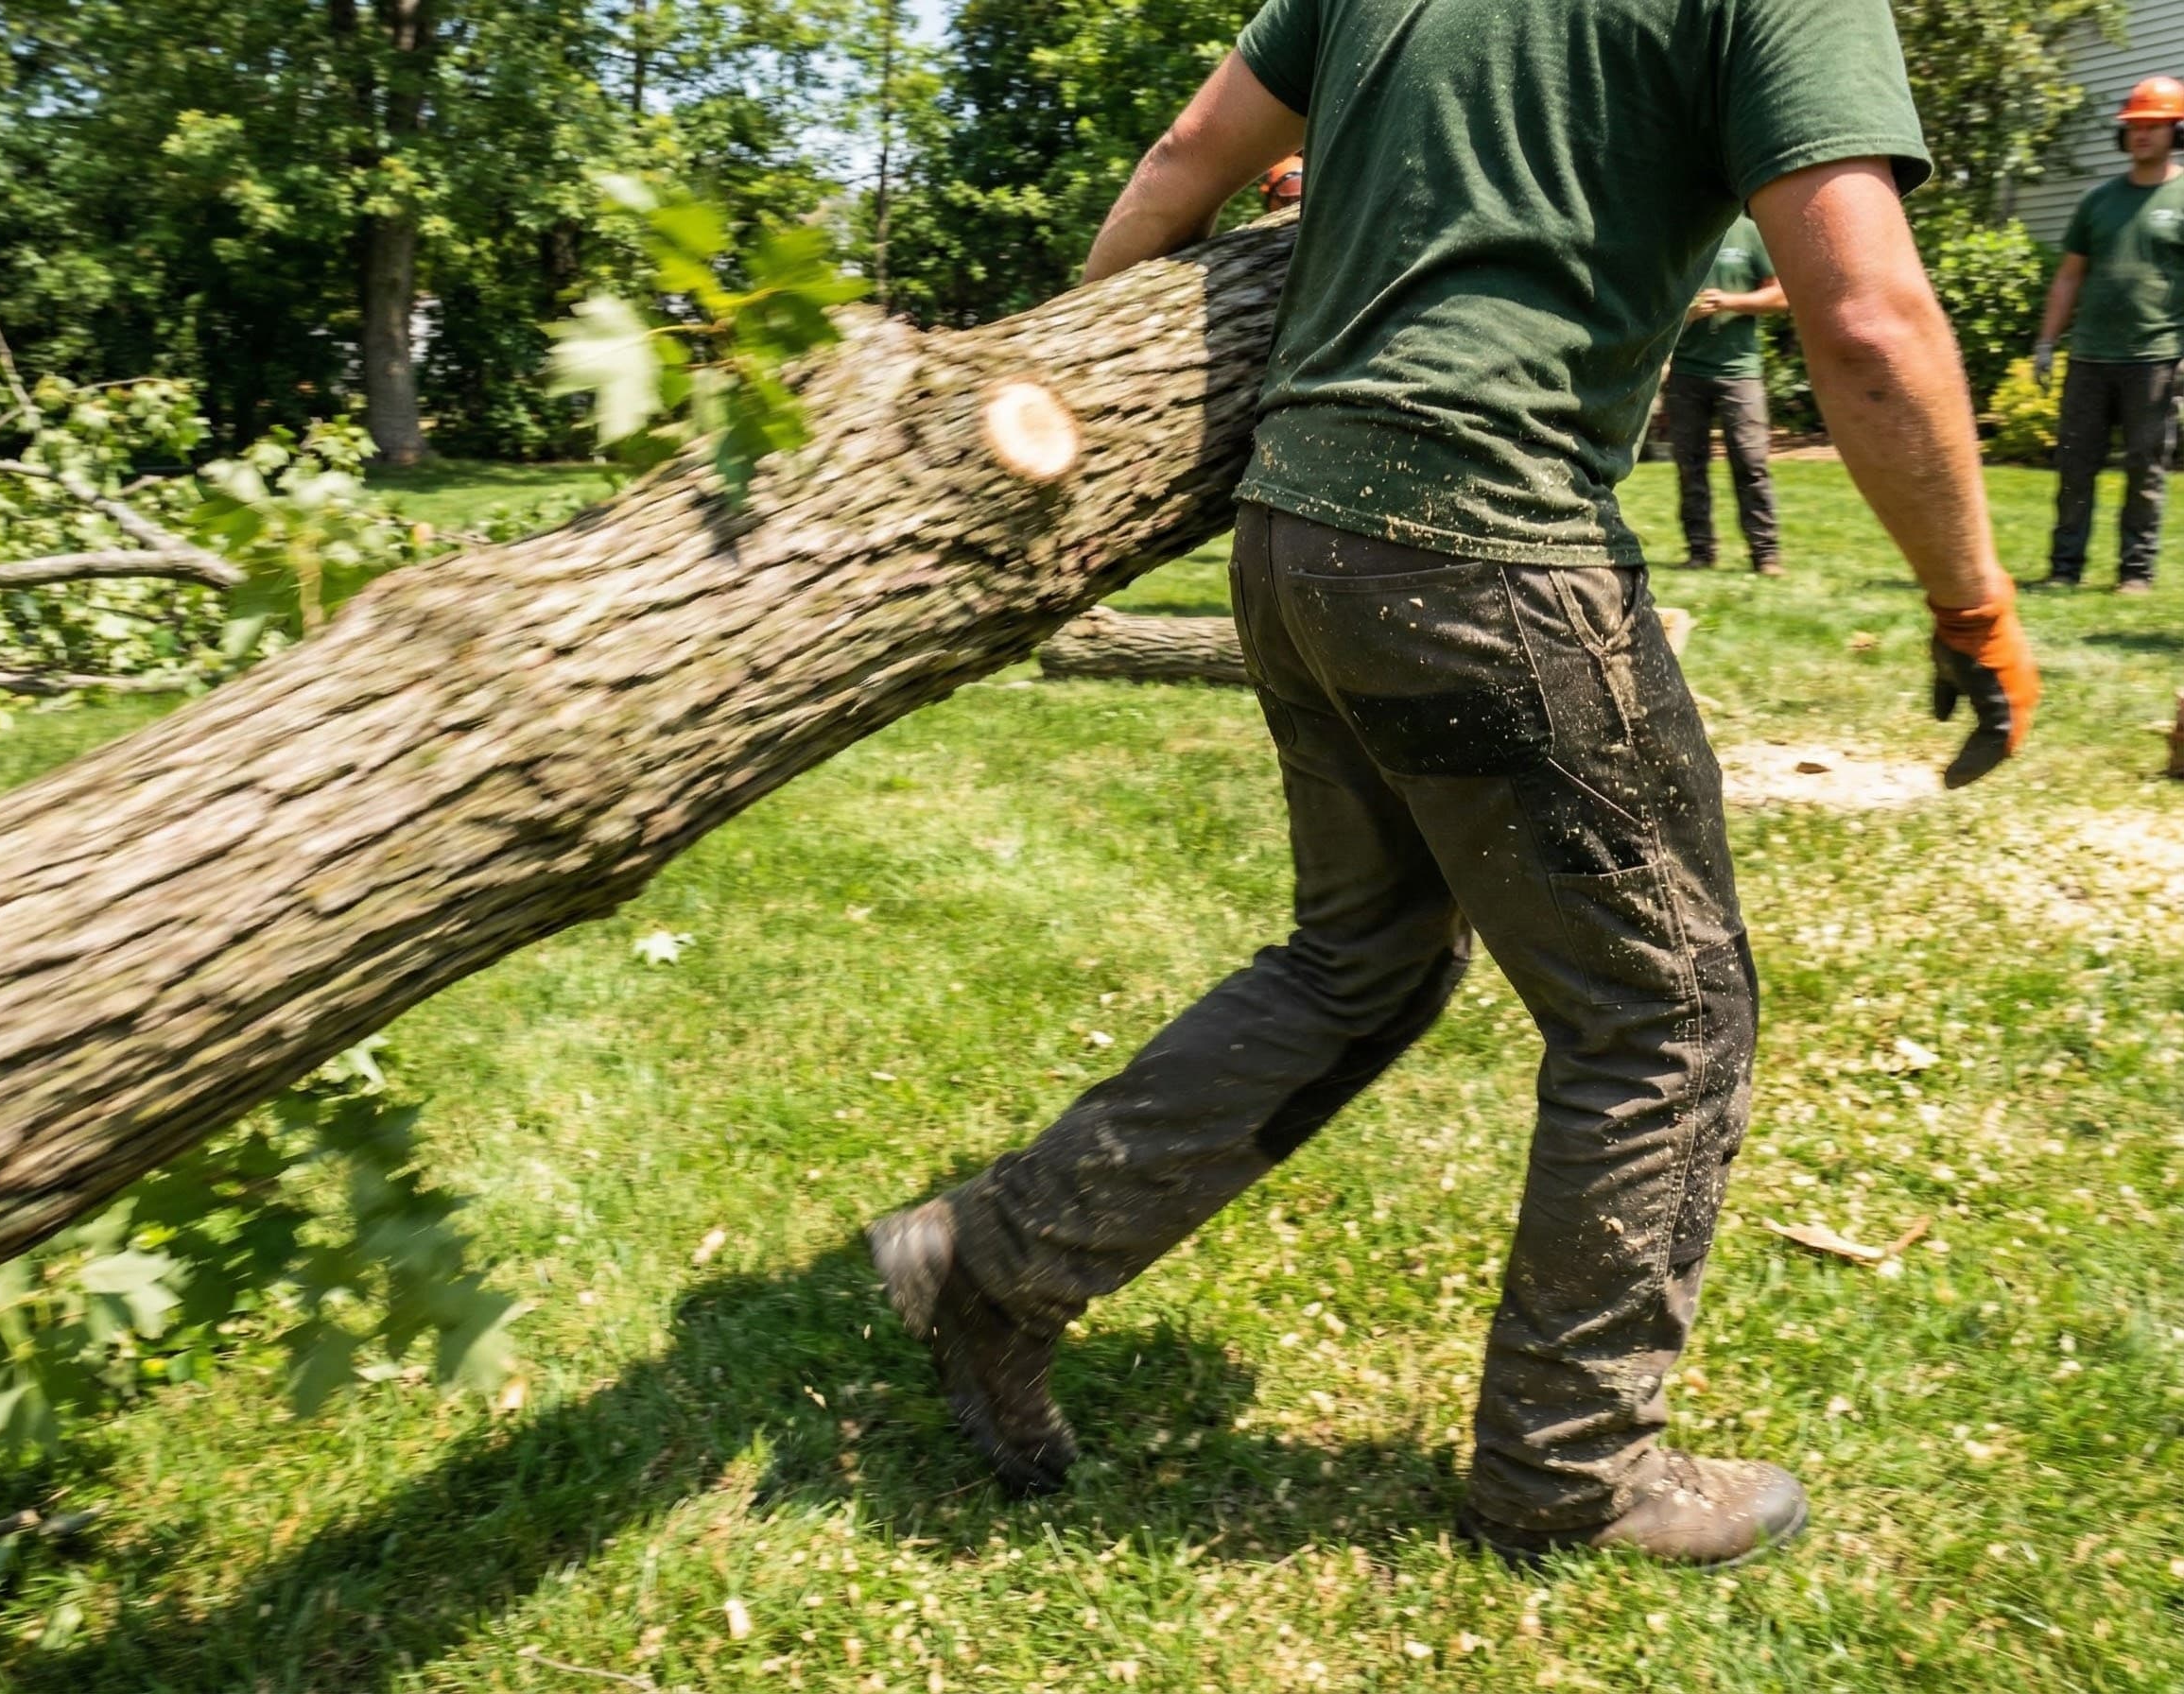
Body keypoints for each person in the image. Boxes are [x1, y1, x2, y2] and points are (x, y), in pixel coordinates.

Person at [870, 0, 2040, 1568]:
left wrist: (1105, 405)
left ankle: (994, 1262)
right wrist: (1973, 599)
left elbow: (1179, 161)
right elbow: (1873, 316)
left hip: (1297, 537)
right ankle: (1570, 1469)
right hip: (1490, 551)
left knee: (1361, 958)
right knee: (1666, 1014)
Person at [2034, 76, 2184, 596]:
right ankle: (2064, 568)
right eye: (2133, 126)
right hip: (2090, 357)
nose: (2141, 135)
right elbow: (2070, 275)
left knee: (2146, 469)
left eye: (2153, 125)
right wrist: (2047, 342)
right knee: (2076, 464)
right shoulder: (2097, 200)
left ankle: (2135, 572)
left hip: (2156, 357)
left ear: (2176, 131)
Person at [1666, 217, 1789, 574]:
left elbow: (1781, 296)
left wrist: (1730, 301)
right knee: (1690, 467)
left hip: (1740, 372)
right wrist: (1684, 314)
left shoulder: (1749, 232)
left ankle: (1765, 554)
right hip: (1686, 372)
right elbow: (1656, 303)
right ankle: (1700, 552)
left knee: (1751, 462)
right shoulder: (1681, 232)